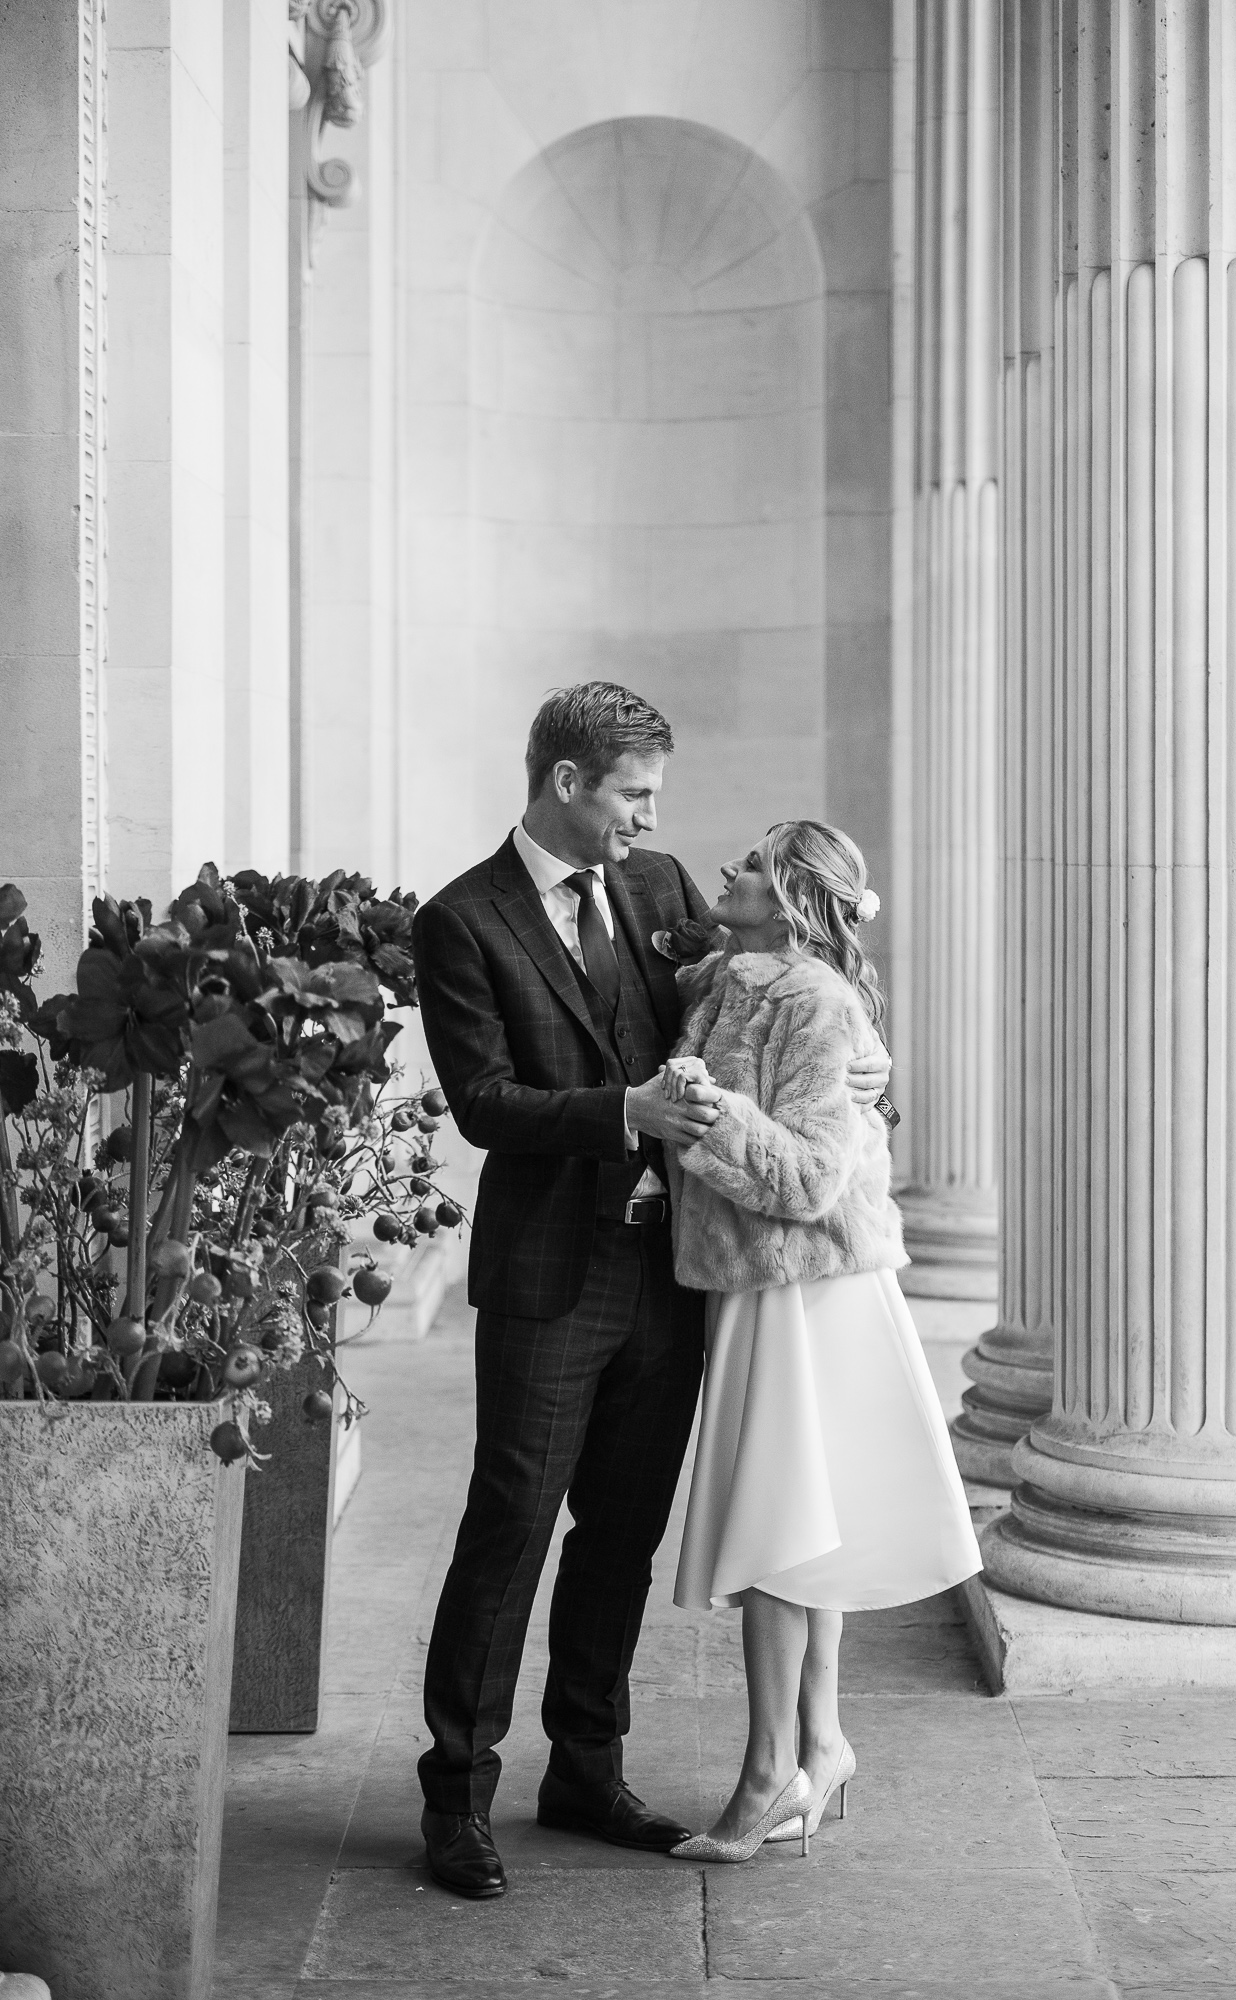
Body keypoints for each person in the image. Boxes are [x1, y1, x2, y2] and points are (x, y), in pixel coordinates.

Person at [410, 686, 891, 1899]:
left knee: (619, 1532)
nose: (651, 816)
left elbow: (786, 998)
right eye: (633, 792)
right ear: (567, 782)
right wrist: (623, 1111)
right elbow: (483, 1102)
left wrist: (870, 1061)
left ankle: (586, 1769)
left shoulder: (665, 886)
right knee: (510, 1525)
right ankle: (456, 1794)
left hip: (673, 1275)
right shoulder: (460, 920)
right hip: (548, 1274)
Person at [662, 820, 982, 1863]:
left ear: (793, 896)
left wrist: (705, 1113)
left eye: (751, 866)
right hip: (766, 1285)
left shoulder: (813, 1000)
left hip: (807, 1288)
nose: (726, 870)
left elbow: (804, 1179)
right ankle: (825, 1743)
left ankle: (766, 1772)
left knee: (779, 1536)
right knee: (803, 1522)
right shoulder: (736, 976)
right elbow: (676, 955)